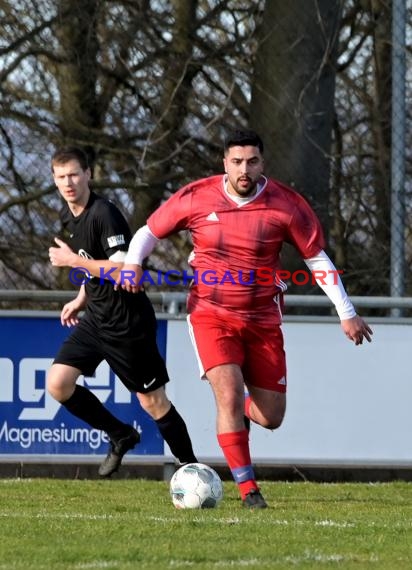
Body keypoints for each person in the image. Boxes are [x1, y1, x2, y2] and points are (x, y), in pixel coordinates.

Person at [116, 129, 373, 508]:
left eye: (252, 161)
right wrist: (133, 265)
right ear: (225, 163)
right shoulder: (197, 196)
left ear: (262, 163)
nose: (244, 169)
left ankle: (239, 413)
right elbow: (147, 232)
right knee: (229, 394)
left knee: (271, 417)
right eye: (236, 161)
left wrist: (346, 312)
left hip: (263, 320)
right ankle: (248, 490)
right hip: (210, 314)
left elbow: (316, 260)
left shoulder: (285, 204)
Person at [47, 146, 197, 478]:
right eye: (61, 177)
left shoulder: (104, 213)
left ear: (88, 174)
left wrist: (74, 262)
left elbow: (123, 271)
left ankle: (193, 469)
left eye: (74, 174)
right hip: (96, 320)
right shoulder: (71, 218)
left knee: (153, 402)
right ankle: (121, 434)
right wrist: (80, 299)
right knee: (58, 383)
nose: (68, 182)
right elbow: (93, 270)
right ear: (54, 180)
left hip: (128, 323)